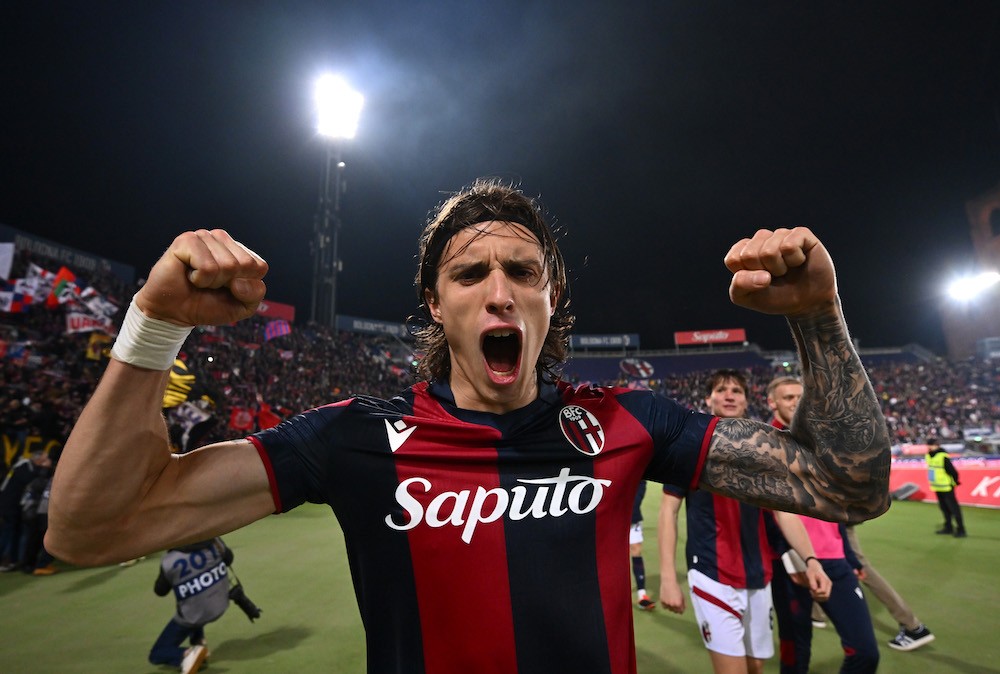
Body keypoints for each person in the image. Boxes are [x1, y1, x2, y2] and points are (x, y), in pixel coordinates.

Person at [46, 179, 891, 672]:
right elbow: (90, 529)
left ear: (551, 298)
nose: (499, 290)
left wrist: (818, 314)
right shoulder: (353, 438)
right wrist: (155, 324)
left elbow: (848, 485)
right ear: (435, 303)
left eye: (524, 271)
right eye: (469, 272)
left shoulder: (628, 422)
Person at [658, 369, 831, 674]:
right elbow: (668, 511)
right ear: (708, 399)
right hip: (711, 572)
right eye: (722, 390)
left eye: (736, 391)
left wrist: (811, 559)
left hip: (758, 575)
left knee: (756, 666)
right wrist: (669, 578)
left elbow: (783, 510)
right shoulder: (688, 445)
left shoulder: (766, 447)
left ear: (746, 400)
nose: (729, 395)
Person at [798, 516, 880, 673]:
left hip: (835, 561)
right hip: (789, 564)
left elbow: (835, 510)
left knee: (865, 653)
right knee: (796, 658)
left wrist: (849, 556)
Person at [149, 537, 233, 674]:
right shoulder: (215, 542)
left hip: (193, 614)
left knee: (157, 654)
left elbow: (160, 591)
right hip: (220, 603)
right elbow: (229, 559)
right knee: (197, 600)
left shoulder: (169, 560)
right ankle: (199, 642)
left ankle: (188, 654)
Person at [846, 524, 934, 652]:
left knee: (861, 568)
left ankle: (914, 627)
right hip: (830, 517)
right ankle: (816, 614)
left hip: (832, 518)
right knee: (823, 561)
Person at [926, 437, 966, 537]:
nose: (929, 447)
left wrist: (955, 481)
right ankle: (948, 527)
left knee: (953, 508)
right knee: (944, 508)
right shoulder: (929, 456)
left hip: (946, 486)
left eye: (931, 445)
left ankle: (961, 529)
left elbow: (953, 471)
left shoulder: (942, 456)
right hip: (937, 486)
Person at [630, 479, 655, 610]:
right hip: (613, 515)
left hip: (632, 515)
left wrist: (632, 508)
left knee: (636, 550)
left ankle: (642, 595)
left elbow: (641, 483)